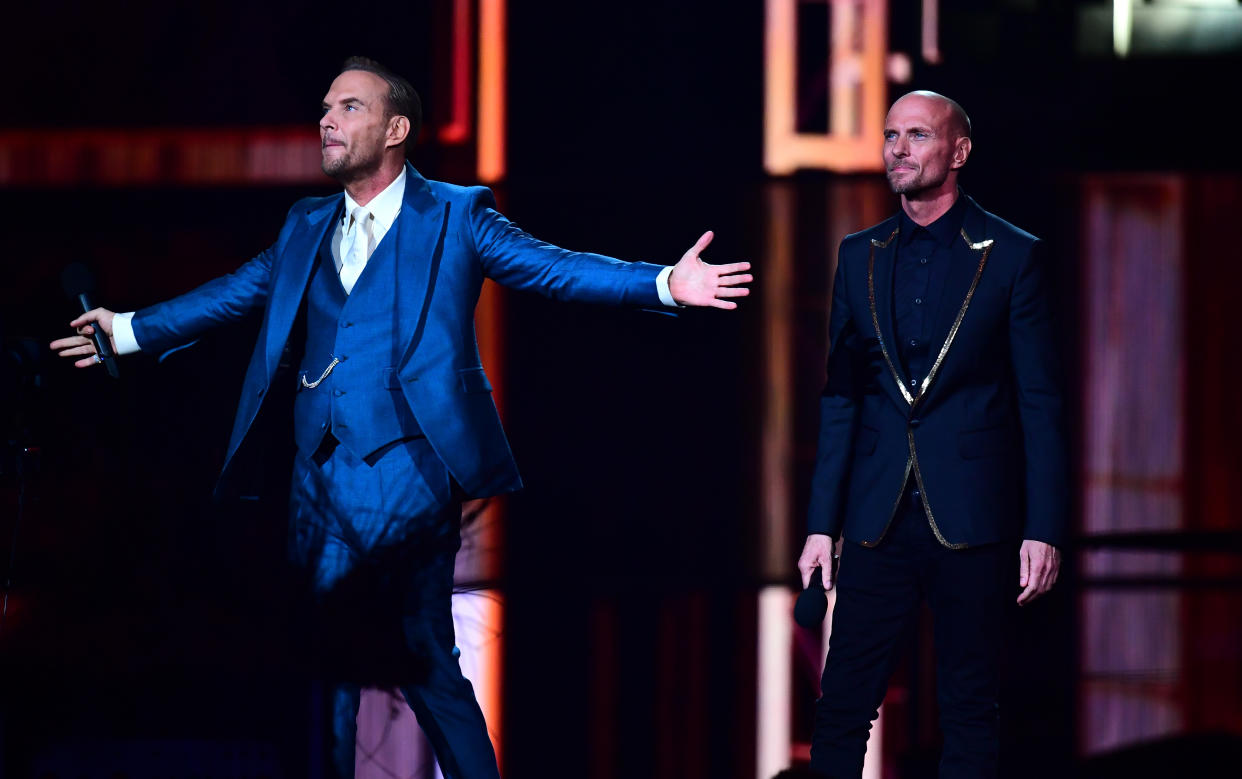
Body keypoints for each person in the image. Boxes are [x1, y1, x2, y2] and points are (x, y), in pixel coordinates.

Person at [51, 56, 751, 779]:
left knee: (422, 660)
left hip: (409, 467)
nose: (327, 119)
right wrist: (127, 329)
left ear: (395, 129)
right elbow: (234, 292)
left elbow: (558, 268)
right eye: (325, 106)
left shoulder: (457, 213)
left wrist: (666, 283)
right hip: (315, 474)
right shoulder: (304, 223)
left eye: (348, 108)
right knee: (321, 668)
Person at [795, 91, 1067, 778]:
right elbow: (841, 397)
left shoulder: (1010, 256)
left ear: (958, 151)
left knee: (970, 709)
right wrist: (820, 524)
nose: (899, 149)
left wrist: (1045, 526)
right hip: (875, 517)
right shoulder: (858, 256)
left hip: (971, 515)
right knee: (841, 706)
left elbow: (1039, 399)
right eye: (891, 135)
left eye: (917, 135)